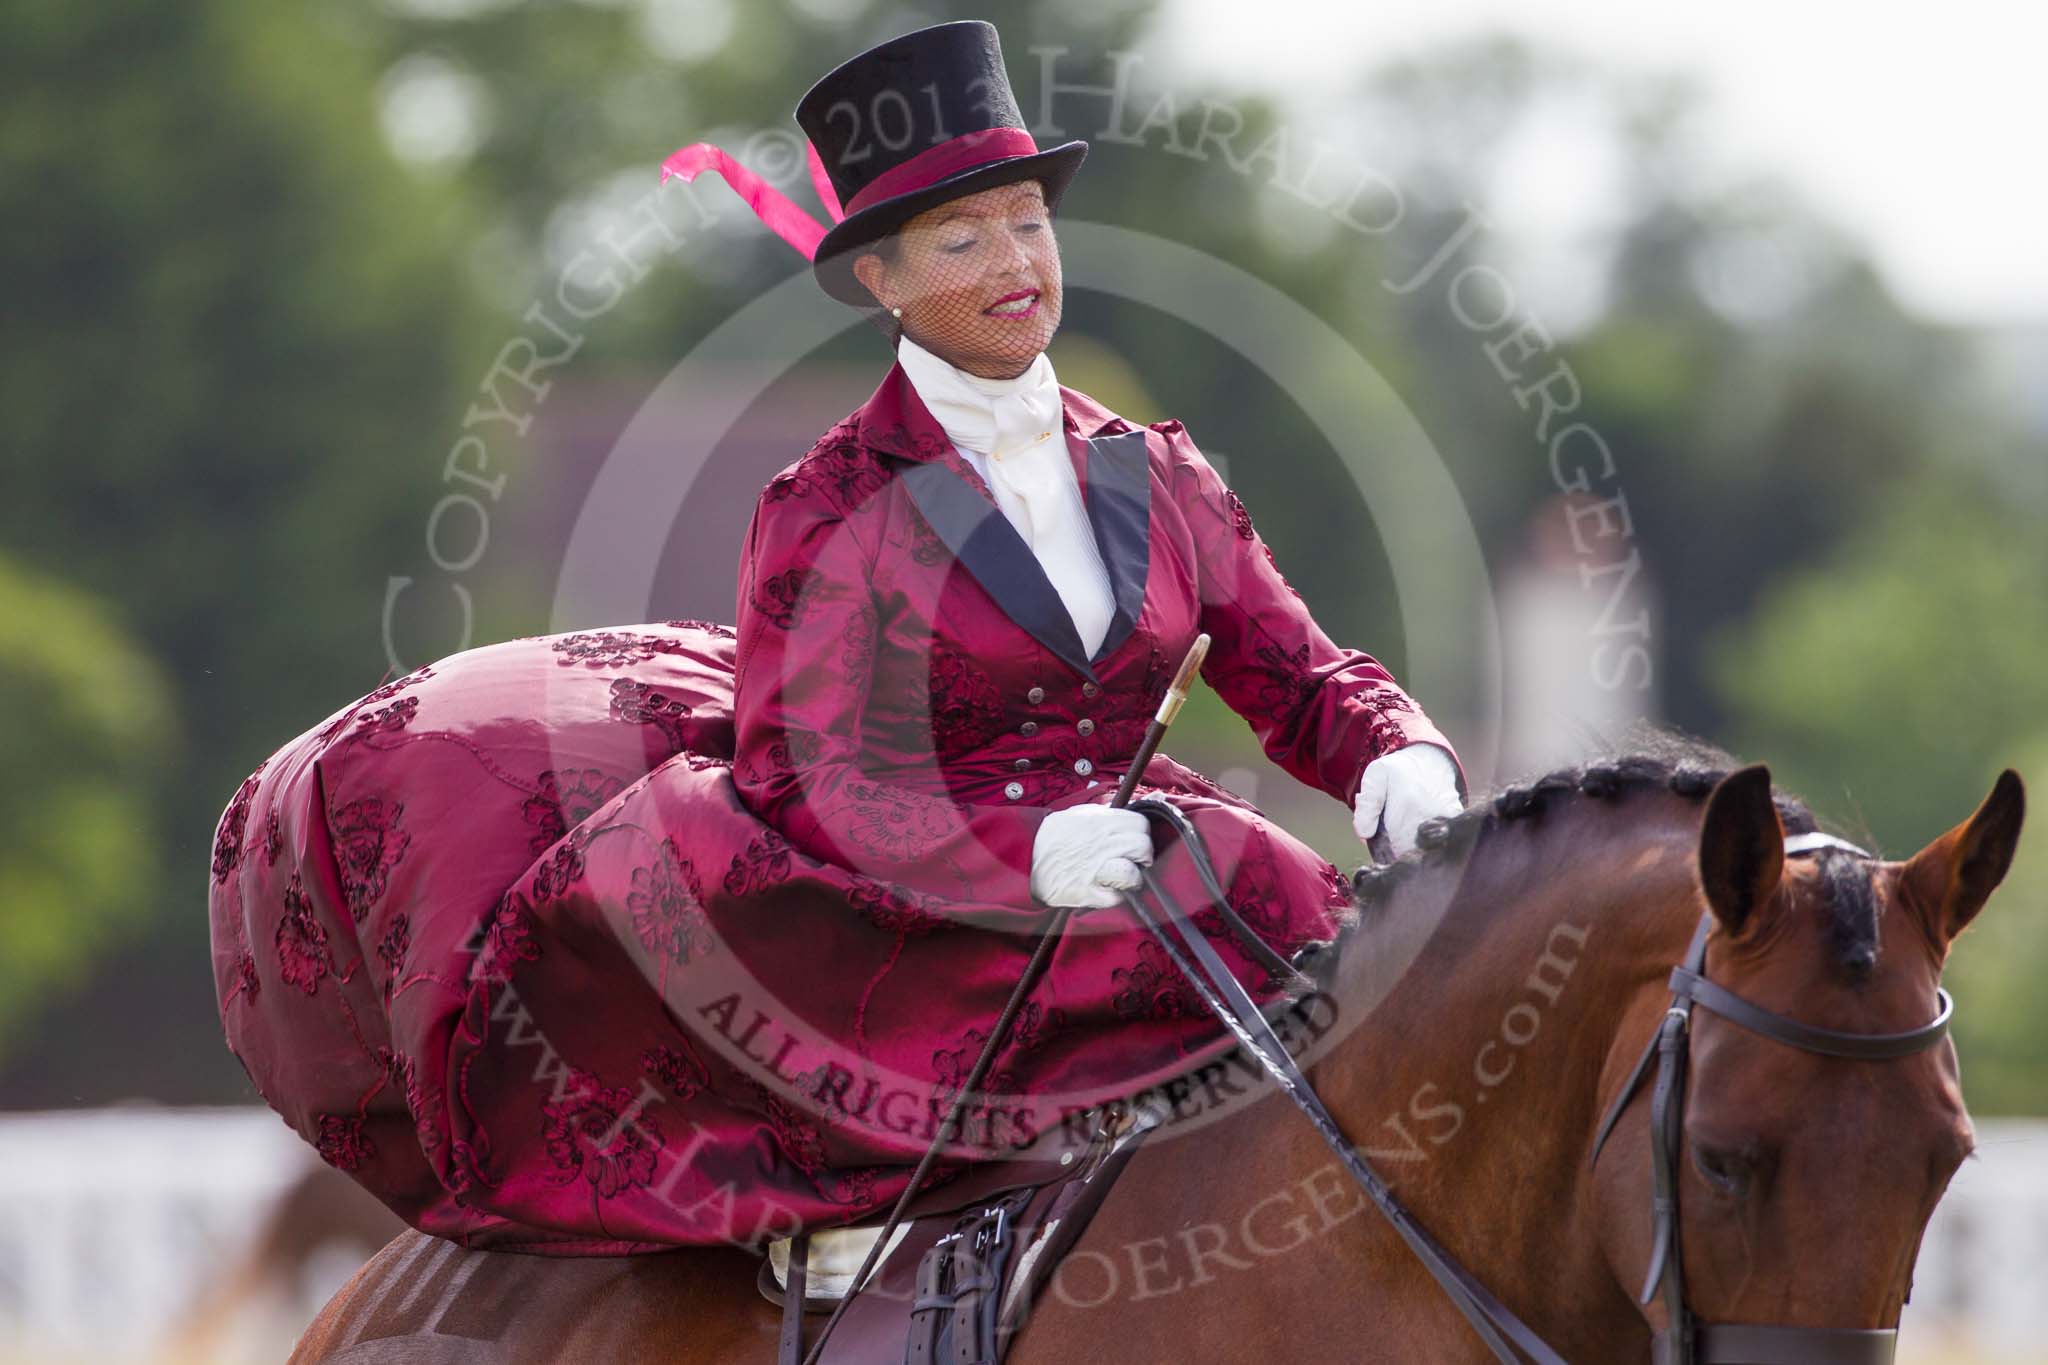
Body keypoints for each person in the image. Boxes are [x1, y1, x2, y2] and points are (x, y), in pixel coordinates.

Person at [205, 19, 1469, 1262]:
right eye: (963, 238)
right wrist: (1021, 855)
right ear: (881, 279)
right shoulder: (825, 506)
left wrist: (1392, 754)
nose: (1016, 260)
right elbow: (810, 782)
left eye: (1029, 219)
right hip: (921, 911)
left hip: (1137, 860)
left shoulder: (1160, 471)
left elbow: (1296, 673)